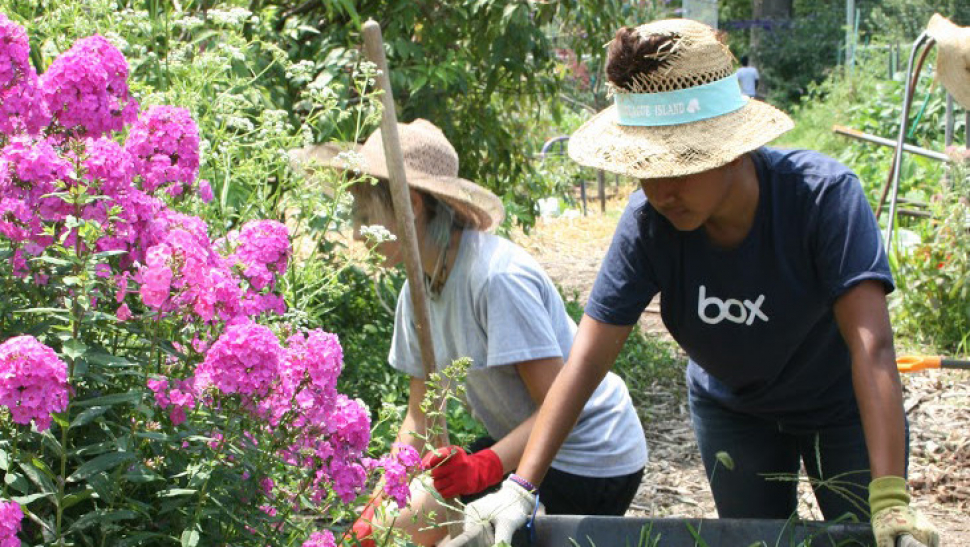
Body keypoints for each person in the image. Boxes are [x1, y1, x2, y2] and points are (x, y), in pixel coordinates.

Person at [448, 19, 939, 547]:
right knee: (758, 541)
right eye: (644, 167)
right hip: (734, 410)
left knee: (865, 539)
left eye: (679, 163)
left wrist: (890, 499)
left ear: (730, 148)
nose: (660, 190)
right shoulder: (648, 227)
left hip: (839, 406)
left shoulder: (822, 200)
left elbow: (873, 350)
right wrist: (522, 487)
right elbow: (586, 361)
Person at [314, 119, 647, 546]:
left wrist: (484, 467)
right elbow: (421, 416)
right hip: (519, 445)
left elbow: (559, 402)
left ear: (411, 204)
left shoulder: (496, 279)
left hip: (591, 455)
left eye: (364, 216)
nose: (358, 234)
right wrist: (379, 507)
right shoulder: (416, 292)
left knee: (474, 534)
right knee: (398, 526)